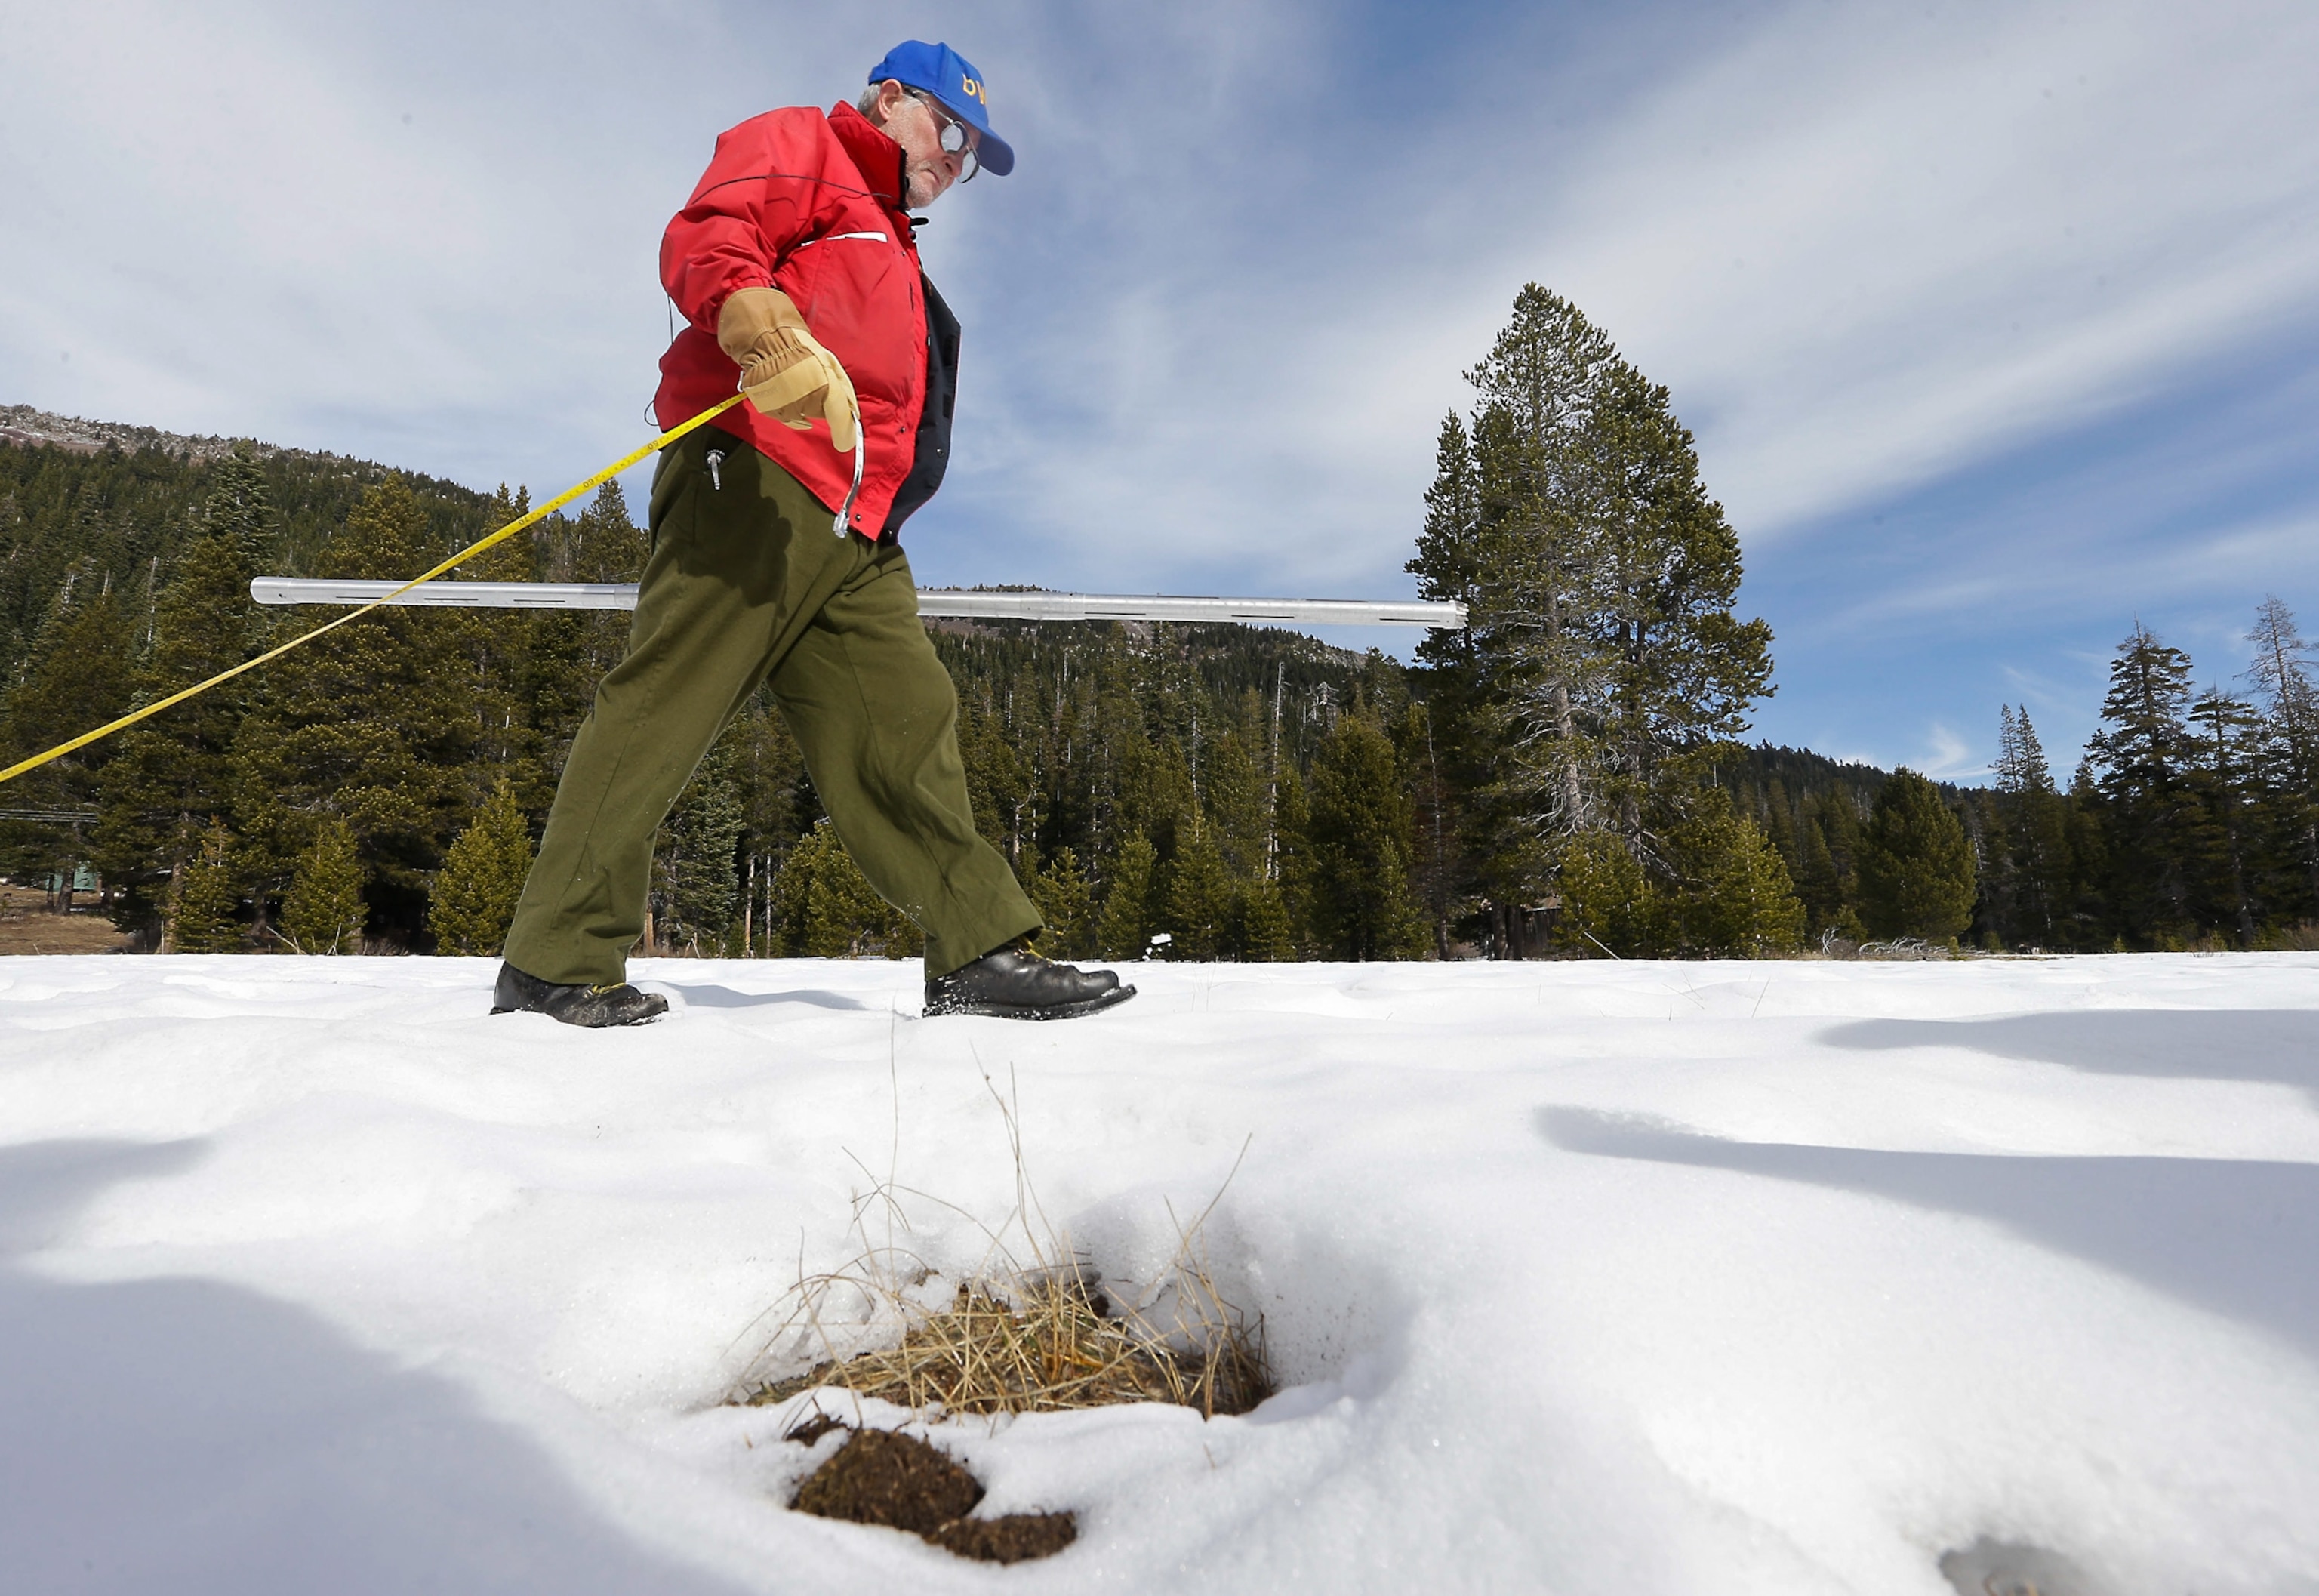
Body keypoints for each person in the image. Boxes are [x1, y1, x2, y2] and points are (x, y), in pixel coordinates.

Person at [491, 41, 1133, 1028]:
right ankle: (555, 961)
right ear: (889, 98)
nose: (957, 161)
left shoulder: (892, 237)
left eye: (974, 153)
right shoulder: (806, 147)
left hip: (857, 524)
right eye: (950, 131)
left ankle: (979, 948)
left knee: (907, 728)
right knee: (663, 707)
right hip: (752, 478)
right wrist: (762, 325)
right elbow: (709, 232)